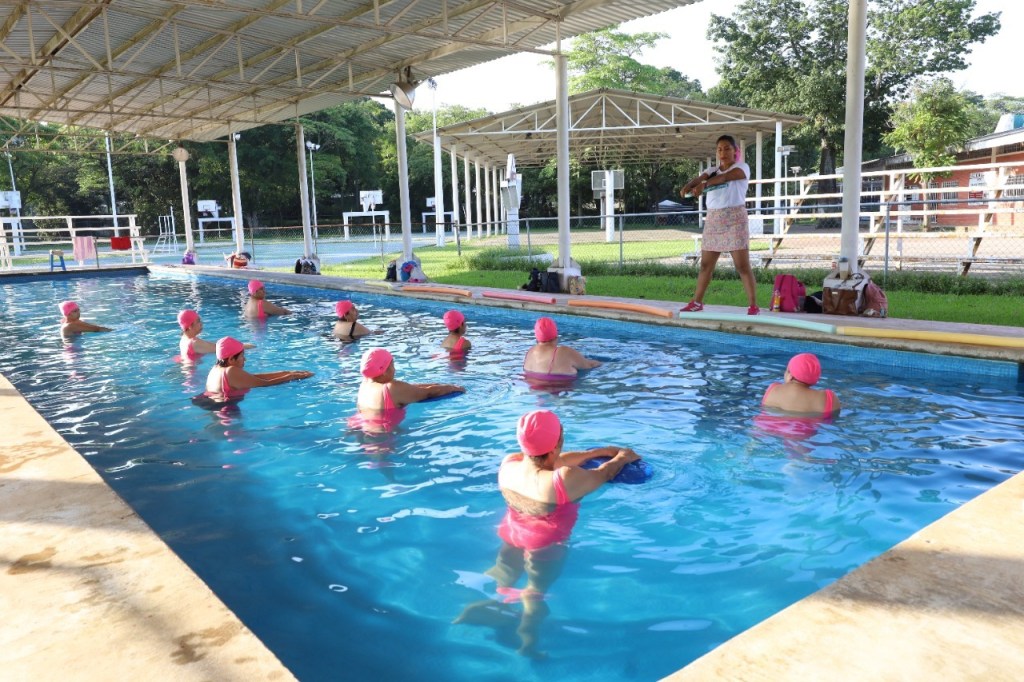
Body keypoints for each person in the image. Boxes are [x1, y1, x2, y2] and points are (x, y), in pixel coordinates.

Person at [454, 410, 640, 657]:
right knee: (534, 592)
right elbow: (604, 473)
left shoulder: (509, 463)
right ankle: (528, 644)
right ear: (558, 443)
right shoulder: (564, 479)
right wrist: (622, 458)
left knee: (502, 574)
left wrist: (594, 452)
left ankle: (486, 604)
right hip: (545, 542)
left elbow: (556, 460)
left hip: (511, 530)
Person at [679, 134, 760, 315]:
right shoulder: (712, 170)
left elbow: (725, 178)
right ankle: (697, 302)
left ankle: (753, 306)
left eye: (727, 148)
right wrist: (687, 186)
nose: (723, 152)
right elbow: (699, 179)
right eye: (719, 149)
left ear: (735, 151)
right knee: (706, 265)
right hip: (714, 219)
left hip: (734, 218)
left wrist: (704, 185)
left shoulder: (742, 168)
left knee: (742, 266)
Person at [199, 336, 312, 404]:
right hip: (226, 411)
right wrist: (291, 377)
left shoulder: (216, 369)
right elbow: (265, 384)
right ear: (231, 359)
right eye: (242, 356)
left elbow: (253, 377)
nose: (245, 359)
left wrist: (287, 372)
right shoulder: (230, 371)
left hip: (211, 403)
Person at [761, 353, 841, 417]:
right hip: (803, 433)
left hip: (765, 427)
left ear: (790, 375)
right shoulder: (828, 398)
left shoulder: (773, 389)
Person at [522, 317, 600, 382]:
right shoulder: (564, 352)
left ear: (537, 337)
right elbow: (588, 365)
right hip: (559, 392)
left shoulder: (530, 352)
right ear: (556, 336)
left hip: (534, 391)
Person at [178, 309, 253, 362]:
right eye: (198, 321)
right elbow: (221, 348)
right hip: (194, 378)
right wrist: (246, 346)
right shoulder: (195, 343)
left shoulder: (184, 339)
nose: (201, 323)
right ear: (190, 326)